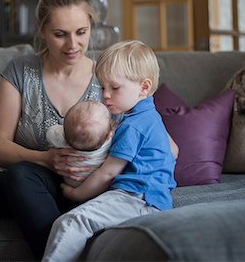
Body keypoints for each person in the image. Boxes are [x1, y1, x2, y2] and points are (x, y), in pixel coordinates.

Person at [0, 0, 102, 261]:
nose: (72, 45)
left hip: (88, 187)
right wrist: (46, 159)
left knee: (21, 174)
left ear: (90, 26)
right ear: (42, 31)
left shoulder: (106, 73)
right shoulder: (20, 71)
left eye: (81, 32)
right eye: (59, 35)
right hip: (28, 185)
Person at [42, 40, 178, 262]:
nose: (105, 95)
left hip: (138, 199)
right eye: (102, 87)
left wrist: (75, 193)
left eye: (114, 88)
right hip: (148, 198)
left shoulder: (132, 125)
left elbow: (108, 172)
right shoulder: (150, 117)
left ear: (144, 87)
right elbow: (174, 151)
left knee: (71, 222)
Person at [46, 100, 114, 187]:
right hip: (96, 185)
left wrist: (62, 130)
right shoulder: (109, 141)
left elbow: (50, 132)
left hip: (70, 181)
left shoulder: (63, 139)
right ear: (109, 134)